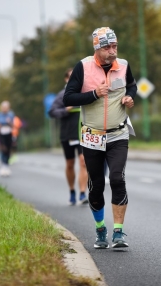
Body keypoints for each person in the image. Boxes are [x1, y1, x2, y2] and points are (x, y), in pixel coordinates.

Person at [63, 27, 137, 249]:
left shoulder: (123, 65)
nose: (113, 51)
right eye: (108, 47)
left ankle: (118, 233)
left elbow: (132, 86)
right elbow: (69, 97)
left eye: (115, 46)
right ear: (97, 48)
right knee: (95, 186)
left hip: (118, 133)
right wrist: (94, 94)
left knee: (116, 179)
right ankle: (100, 229)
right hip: (92, 136)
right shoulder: (83, 67)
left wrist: (129, 98)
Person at [49, 68, 88, 205]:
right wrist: (66, 110)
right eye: (71, 77)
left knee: (84, 162)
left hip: (83, 132)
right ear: (66, 79)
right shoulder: (62, 95)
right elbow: (52, 112)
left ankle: (83, 193)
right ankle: (72, 191)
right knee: (70, 164)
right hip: (68, 134)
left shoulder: (85, 93)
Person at [0, 101, 14, 177]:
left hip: (8, 133)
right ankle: (3, 165)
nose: (5, 109)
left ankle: (6, 165)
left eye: (6, 107)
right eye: (3, 107)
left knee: (8, 149)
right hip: (1, 133)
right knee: (3, 148)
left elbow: (12, 125)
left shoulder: (11, 114)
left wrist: (9, 123)